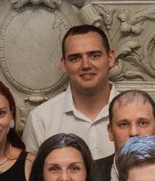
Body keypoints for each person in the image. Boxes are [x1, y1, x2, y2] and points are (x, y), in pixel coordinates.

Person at [22, 21, 118, 163]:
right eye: (75, 58)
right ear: (64, 64)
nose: (86, 65)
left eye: (94, 55)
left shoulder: (136, 112)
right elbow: (31, 179)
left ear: (110, 58)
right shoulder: (41, 119)